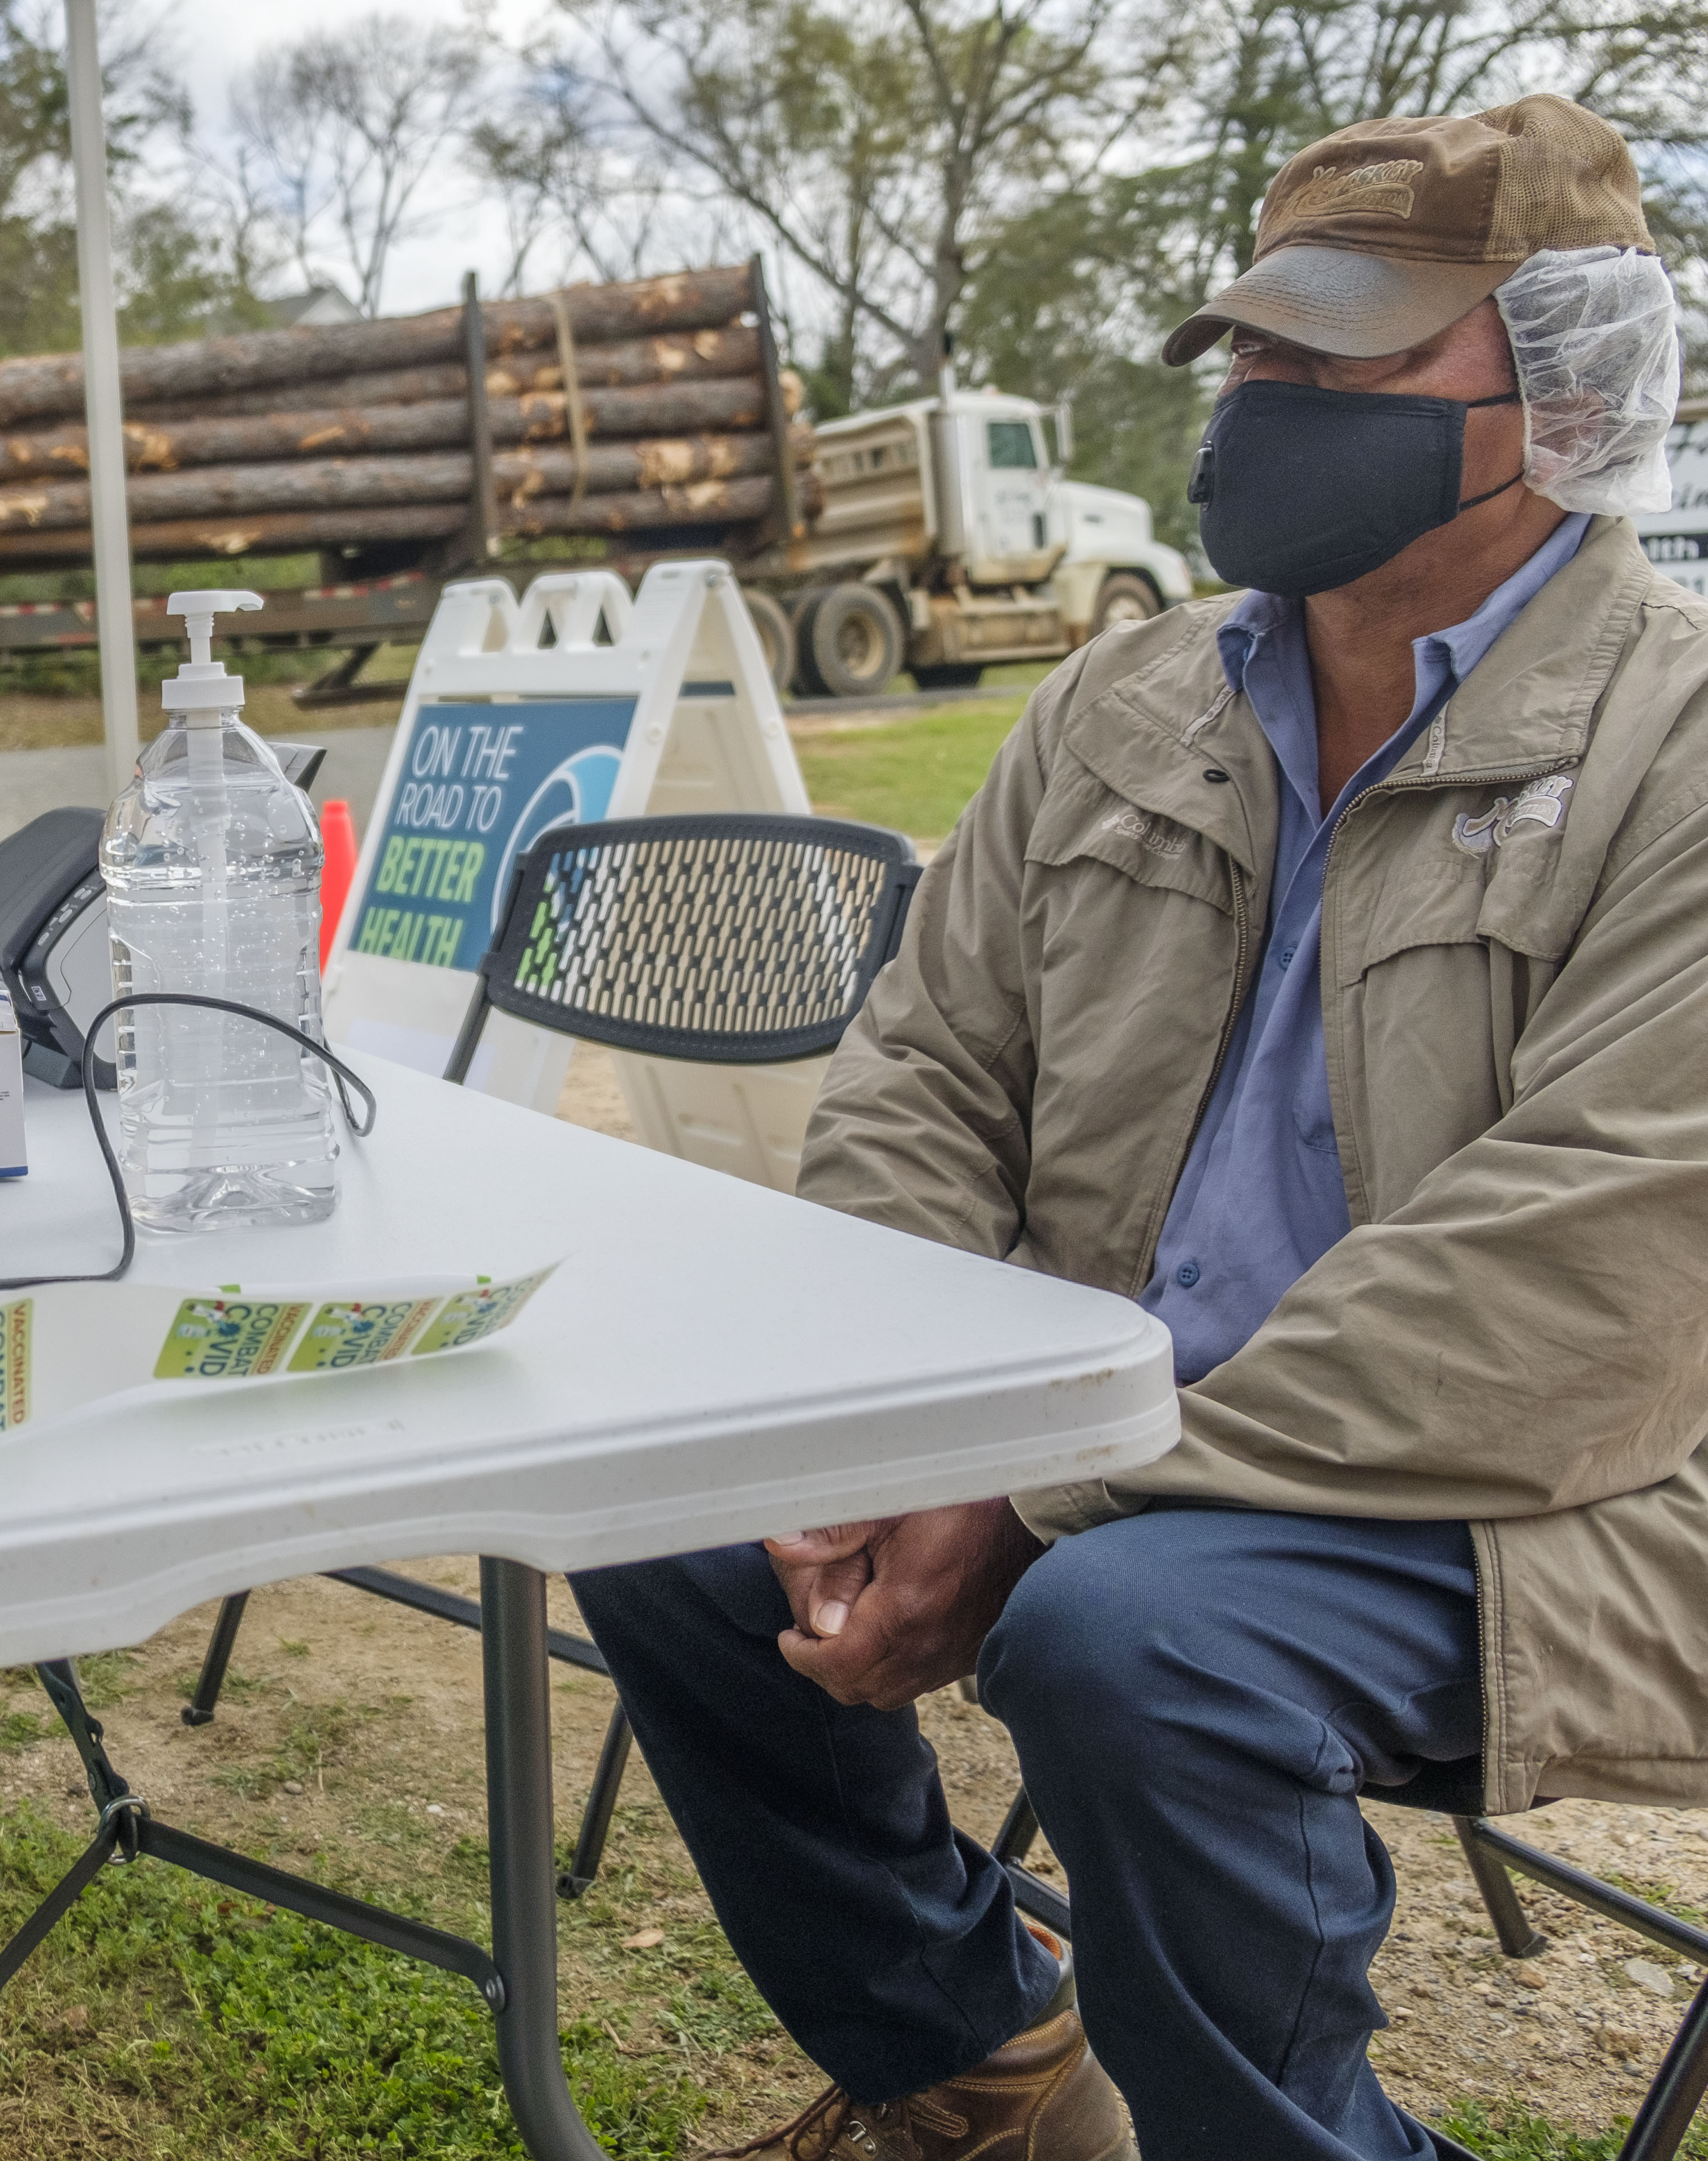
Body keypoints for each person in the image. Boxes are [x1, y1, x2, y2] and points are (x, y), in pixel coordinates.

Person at [568, 94, 1708, 2161]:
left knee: (1137, 1638)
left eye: (1341, 353)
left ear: (1562, 380)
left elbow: (1577, 1295)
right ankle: (980, 2077)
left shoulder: (1679, 749)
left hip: (1579, 1487)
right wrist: (894, 1429)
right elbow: (924, 1078)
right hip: (1101, 1438)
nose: (1266, 398)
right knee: (678, 1502)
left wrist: (1043, 1493)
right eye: (1255, 349)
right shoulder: (1123, 700)